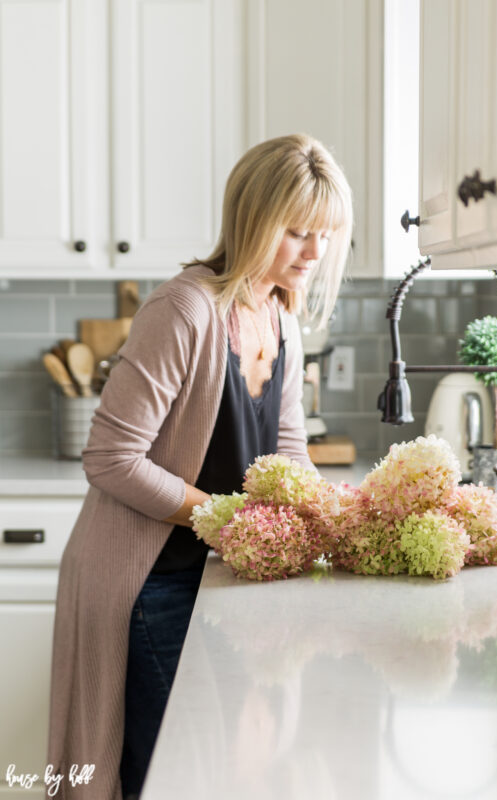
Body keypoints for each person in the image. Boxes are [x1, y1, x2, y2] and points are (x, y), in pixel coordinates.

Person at [46, 133, 353, 800]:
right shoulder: (184, 308)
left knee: (223, 765)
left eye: (325, 234)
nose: (314, 252)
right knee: (178, 773)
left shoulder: (279, 315)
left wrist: (335, 516)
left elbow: (288, 453)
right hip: (148, 582)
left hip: (215, 573)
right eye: (296, 231)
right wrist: (224, 517)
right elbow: (109, 458)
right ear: (252, 220)